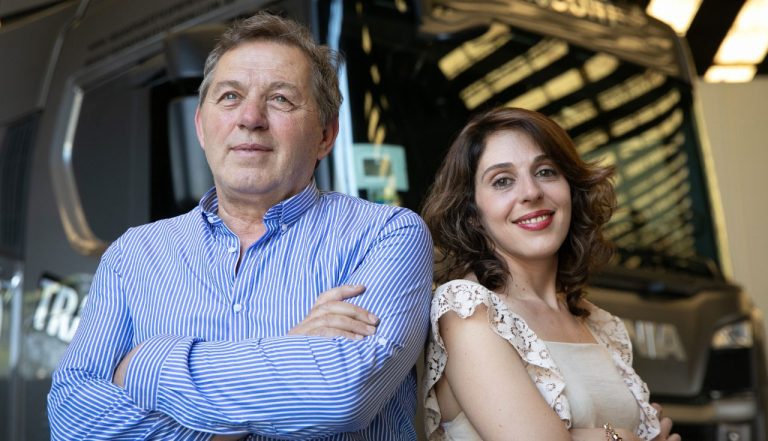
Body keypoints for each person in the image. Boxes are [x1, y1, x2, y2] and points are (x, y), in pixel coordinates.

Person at [47, 12, 433, 440]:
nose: (250, 117)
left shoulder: (386, 235)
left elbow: (340, 395)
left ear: (325, 134)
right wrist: (292, 350)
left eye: (280, 99)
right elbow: (73, 420)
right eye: (230, 96)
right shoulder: (132, 255)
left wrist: (146, 363)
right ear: (200, 127)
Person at [420, 107, 681, 441]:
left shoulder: (598, 322)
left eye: (545, 172)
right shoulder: (467, 309)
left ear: (571, 189)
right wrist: (623, 437)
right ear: (472, 214)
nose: (531, 192)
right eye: (503, 181)